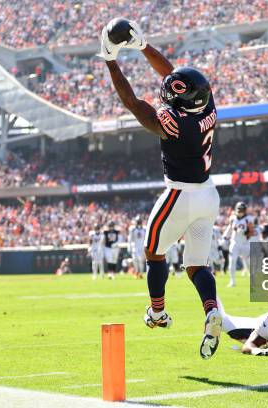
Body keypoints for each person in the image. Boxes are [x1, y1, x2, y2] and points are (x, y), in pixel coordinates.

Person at [100, 19, 222, 359]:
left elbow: (132, 102)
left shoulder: (174, 125)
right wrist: (143, 46)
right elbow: (173, 76)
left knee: (153, 253)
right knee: (197, 266)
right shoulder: (208, 106)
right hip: (208, 195)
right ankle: (210, 309)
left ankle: (157, 312)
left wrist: (110, 59)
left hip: (180, 194)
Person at [224, 202, 255, 287]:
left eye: (242, 209)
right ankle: (232, 281)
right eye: (239, 209)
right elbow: (229, 228)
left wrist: (244, 232)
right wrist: (225, 237)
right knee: (232, 261)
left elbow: (252, 232)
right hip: (235, 243)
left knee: (248, 262)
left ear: (245, 210)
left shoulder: (249, 219)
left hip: (245, 243)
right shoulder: (233, 218)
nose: (240, 211)